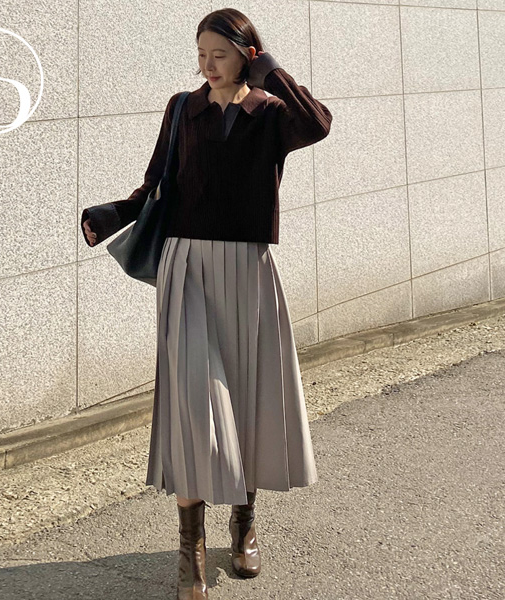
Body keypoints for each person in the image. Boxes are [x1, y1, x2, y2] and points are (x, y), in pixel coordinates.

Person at [81, 8, 332, 599]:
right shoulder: (182, 109)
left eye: (219, 55)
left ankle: (244, 523)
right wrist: (114, 215)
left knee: (247, 399)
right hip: (186, 267)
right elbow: (156, 183)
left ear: (247, 55)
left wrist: (269, 71)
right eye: (201, 55)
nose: (207, 66)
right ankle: (190, 548)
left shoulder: (272, 113)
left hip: (247, 270)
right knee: (194, 406)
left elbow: (318, 123)